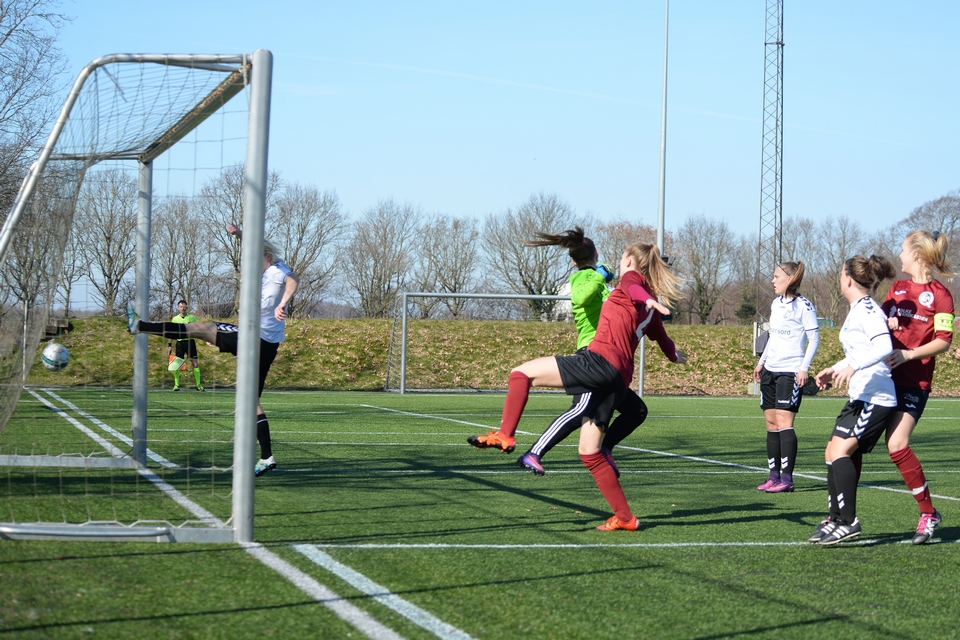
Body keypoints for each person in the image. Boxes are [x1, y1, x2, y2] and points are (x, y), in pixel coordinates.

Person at [468, 241, 686, 531]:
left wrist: (647, 300)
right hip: (618, 381)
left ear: (629, 262)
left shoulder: (632, 283)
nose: (620, 263)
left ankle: (505, 435)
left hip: (598, 362)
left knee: (520, 374)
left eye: (623, 257)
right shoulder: (649, 308)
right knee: (590, 452)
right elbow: (662, 339)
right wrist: (673, 355)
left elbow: (633, 287)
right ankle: (625, 518)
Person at [126, 223, 299, 478]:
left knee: (196, 328)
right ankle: (266, 457)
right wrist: (239, 234)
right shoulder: (265, 267)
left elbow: (293, 280)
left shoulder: (275, 270)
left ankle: (139, 326)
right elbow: (254, 245)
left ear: (268, 257)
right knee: (250, 401)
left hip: (253, 339)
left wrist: (283, 303)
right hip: (267, 346)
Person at [495, 228, 648, 477]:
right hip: (593, 354)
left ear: (573, 260)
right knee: (580, 412)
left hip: (611, 361)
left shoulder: (601, 283)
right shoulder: (582, 278)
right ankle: (534, 453)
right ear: (596, 254)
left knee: (636, 410)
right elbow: (582, 296)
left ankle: (604, 450)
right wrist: (599, 275)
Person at [810, 255, 897, 545]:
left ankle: (848, 521)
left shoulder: (867, 311)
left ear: (848, 278)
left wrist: (853, 367)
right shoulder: (858, 308)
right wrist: (835, 368)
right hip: (861, 396)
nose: (839, 279)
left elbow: (883, 346)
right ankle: (835, 518)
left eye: (840, 274)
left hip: (876, 397)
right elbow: (860, 351)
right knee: (831, 452)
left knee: (840, 452)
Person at [880, 230, 953, 544]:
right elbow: (875, 323)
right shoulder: (896, 288)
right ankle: (843, 515)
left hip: (914, 383)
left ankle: (928, 513)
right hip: (881, 380)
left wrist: (909, 354)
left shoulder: (941, 295)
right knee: (850, 443)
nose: (899, 254)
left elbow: (944, 342)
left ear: (917, 253)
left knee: (897, 445)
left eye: (902, 249)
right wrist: (886, 322)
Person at [752, 261, 819, 493]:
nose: (772, 280)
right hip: (770, 370)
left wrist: (804, 368)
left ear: (789, 279)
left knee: (784, 423)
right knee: (771, 423)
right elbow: (773, 337)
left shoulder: (804, 306)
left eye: (776, 276)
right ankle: (773, 477)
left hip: (790, 371)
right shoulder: (775, 303)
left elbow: (814, 339)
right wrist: (761, 363)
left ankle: (787, 479)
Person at [168, 299, 204, 392]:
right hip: (180, 343)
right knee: (177, 364)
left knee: (195, 363)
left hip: (190, 342)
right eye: (181, 306)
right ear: (178, 308)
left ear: (186, 307)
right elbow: (170, 333)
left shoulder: (192, 318)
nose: (183, 308)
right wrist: (169, 345)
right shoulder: (175, 319)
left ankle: (198, 385)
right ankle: (176, 385)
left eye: (184, 306)